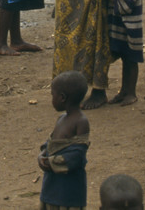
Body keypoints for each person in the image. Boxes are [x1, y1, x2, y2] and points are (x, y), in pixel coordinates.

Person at [94, 0, 145, 106]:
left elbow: (124, 5)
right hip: (125, 32)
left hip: (130, 33)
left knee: (131, 63)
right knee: (127, 61)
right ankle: (124, 91)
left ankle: (131, 93)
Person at [38, 71, 90, 210]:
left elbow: (78, 154)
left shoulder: (81, 121)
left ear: (62, 98)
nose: (51, 99)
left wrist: (52, 162)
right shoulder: (61, 119)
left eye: (52, 95)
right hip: (52, 182)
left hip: (69, 186)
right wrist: (43, 153)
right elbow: (52, 143)